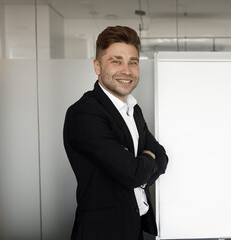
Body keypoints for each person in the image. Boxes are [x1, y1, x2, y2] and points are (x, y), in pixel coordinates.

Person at [63, 26, 168, 240]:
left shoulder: (133, 109)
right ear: (97, 66)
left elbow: (162, 156)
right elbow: (134, 174)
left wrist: (141, 162)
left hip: (134, 226)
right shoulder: (84, 113)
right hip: (102, 233)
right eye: (116, 61)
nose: (127, 71)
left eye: (133, 62)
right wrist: (145, 160)